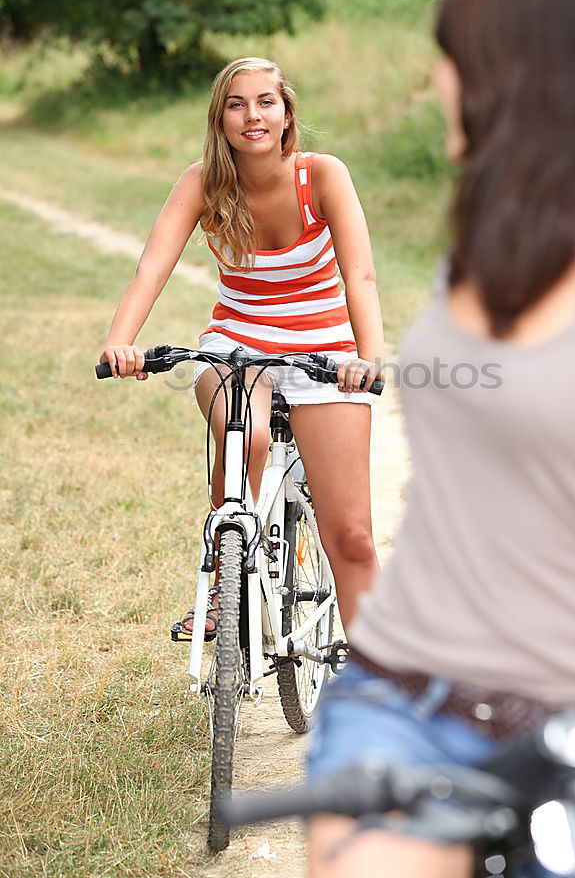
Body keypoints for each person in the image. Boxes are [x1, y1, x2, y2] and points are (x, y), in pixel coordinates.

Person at [306, 0, 575, 878]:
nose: (434, 84)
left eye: (450, 60)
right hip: (405, 698)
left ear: (521, 68)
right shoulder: (484, 242)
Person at [99, 56, 383, 633]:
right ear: (220, 118)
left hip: (324, 350)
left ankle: (379, 681)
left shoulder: (322, 175)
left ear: (285, 115)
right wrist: (119, 343)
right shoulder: (202, 181)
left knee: (351, 537)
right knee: (245, 433)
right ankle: (224, 592)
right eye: (236, 104)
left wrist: (367, 356)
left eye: (265, 102)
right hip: (238, 343)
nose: (252, 115)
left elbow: (362, 278)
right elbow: (152, 268)